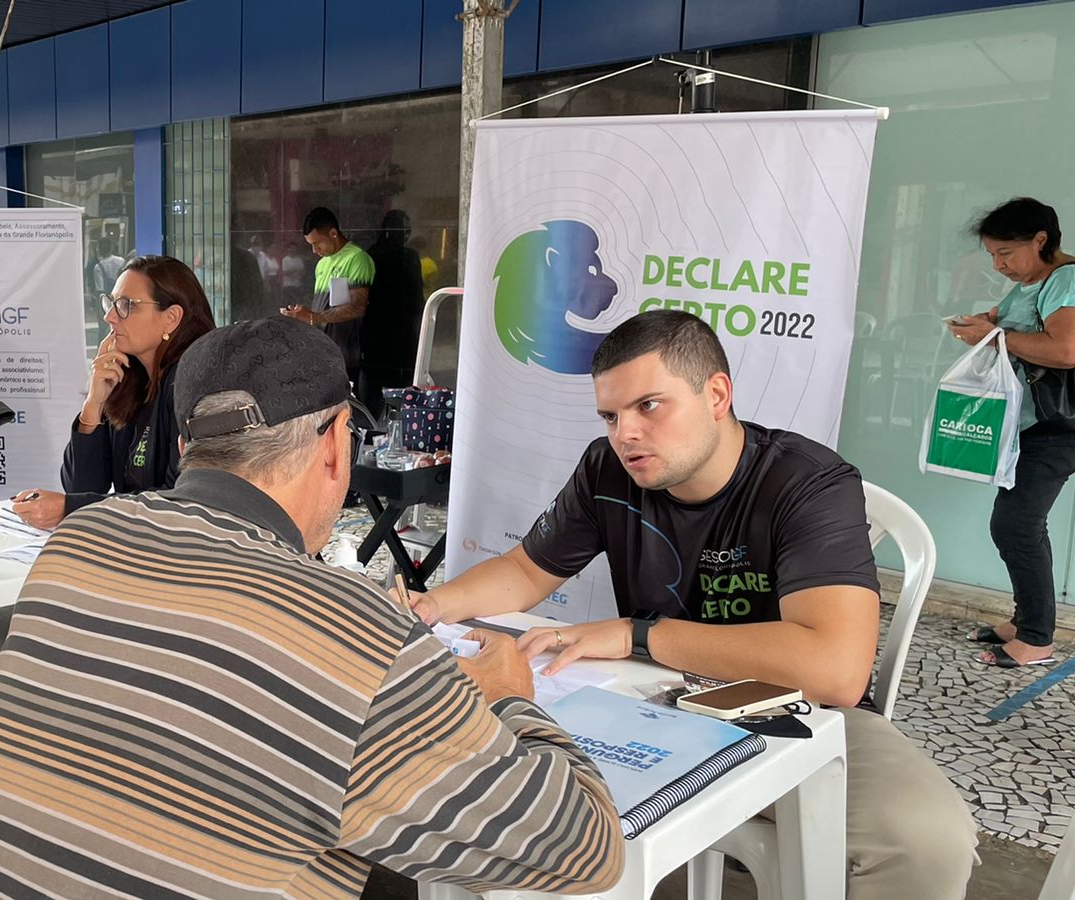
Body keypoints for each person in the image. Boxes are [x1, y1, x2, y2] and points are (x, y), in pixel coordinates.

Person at [0, 315, 624, 900]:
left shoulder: (83, 540)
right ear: (338, 445)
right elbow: (587, 852)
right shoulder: (359, 635)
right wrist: (505, 701)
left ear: (186, 445)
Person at [406, 310, 978, 900]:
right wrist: (429, 606)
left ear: (716, 395)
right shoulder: (607, 469)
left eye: (649, 405)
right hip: (643, 703)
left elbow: (834, 670)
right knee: (478, 771)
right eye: (610, 415)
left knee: (924, 840)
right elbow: (527, 570)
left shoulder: (809, 483)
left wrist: (639, 634)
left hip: (789, 711)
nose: (624, 434)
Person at [948, 197, 1075, 668]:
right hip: (1033, 423)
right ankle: (1025, 620)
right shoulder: (1033, 282)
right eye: (992, 256)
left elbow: (1065, 350)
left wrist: (992, 336)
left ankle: (1038, 637)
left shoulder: (1066, 280)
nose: (999, 265)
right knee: (1017, 522)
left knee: (1016, 524)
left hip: (1059, 427)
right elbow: (1009, 322)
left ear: (1040, 240)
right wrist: (983, 323)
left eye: (1006, 253)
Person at [10, 255, 215, 531]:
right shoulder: (127, 376)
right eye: (111, 302)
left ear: (171, 318)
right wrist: (93, 404)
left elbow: (179, 503)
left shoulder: (192, 385)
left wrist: (70, 508)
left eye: (126, 305)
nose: (109, 316)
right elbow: (82, 486)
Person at [282, 207, 373, 385]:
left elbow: (358, 307)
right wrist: (302, 315)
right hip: (322, 349)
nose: (315, 250)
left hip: (347, 351)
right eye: (311, 245)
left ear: (333, 233)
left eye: (317, 243)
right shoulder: (321, 264)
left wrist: (313, 317)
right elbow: (321, 306)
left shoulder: (356, 258)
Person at [361, 209, 424, 416]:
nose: (404, 234)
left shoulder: (373, 254)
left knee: (380, 388)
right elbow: (416, 297)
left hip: (386, 329)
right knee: (392, 386)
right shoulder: (386, 256)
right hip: (393, 330)